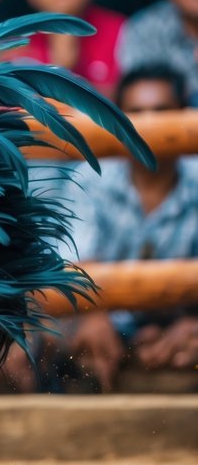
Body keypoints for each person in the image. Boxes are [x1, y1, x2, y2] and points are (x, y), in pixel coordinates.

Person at [54, 64, 198, 391]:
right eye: (137, 113)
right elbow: (74, 259)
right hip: (107, 322)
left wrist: (194, 324)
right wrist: (92, 316)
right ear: (117, 121)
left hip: (182, 325)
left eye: (161, 112)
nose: (149, 125)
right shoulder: (89, 177)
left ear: (184, 117)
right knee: (72, 348)